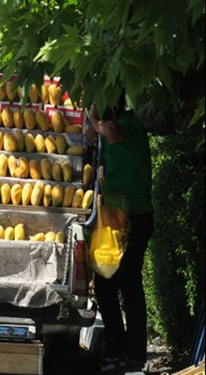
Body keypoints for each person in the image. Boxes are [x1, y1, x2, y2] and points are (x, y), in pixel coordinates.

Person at [85, 94, 154, 374]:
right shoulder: (110, 129)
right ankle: (115, 350)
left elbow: (111, 133)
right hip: (114, 221)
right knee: (104, 285)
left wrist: (93, 120)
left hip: (135, 218)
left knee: (129, 283)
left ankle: (134, 354)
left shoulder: (129, 125)